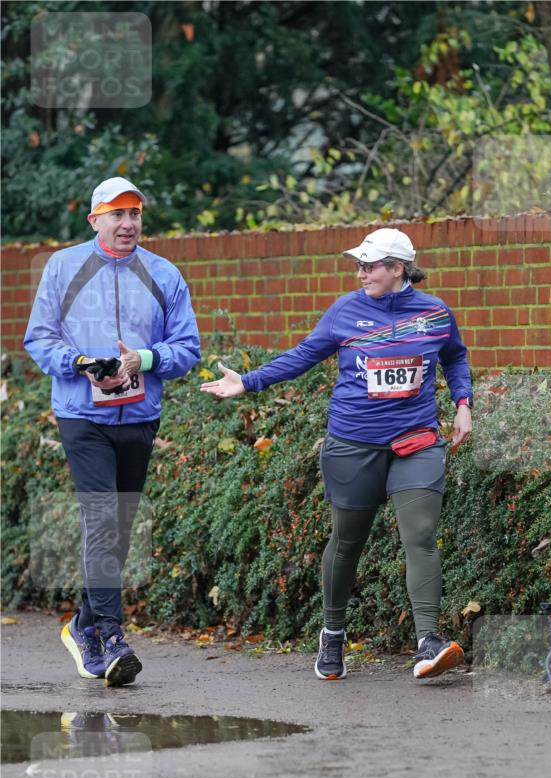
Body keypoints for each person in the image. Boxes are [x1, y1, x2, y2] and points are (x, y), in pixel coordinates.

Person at [201, 227, 472, 681]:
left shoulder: (434, 313)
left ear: (398, 269)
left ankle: (428, 641)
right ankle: (332, 633)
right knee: (348, 542)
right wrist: (247, 382)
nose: (361, 272)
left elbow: (456, 357)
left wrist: (463, 405)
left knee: (420, 535)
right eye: (359, 265)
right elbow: (304, 355)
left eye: (370, 265)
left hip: (416, 440)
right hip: (353, 444)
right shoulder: (346, 311)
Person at [24, 176, 201, 686]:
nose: (128, 224)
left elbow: (187, 347)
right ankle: (111, 635)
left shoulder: (163, 274)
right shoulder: (64, 267)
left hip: (140, 415)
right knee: (102, 519)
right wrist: (80, 362)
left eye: (136, 214)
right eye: (117, 214)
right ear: (95, 219)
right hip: (83, 416)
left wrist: (143, 358)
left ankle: (81, 624)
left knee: (117, 531)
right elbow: (38, 338)